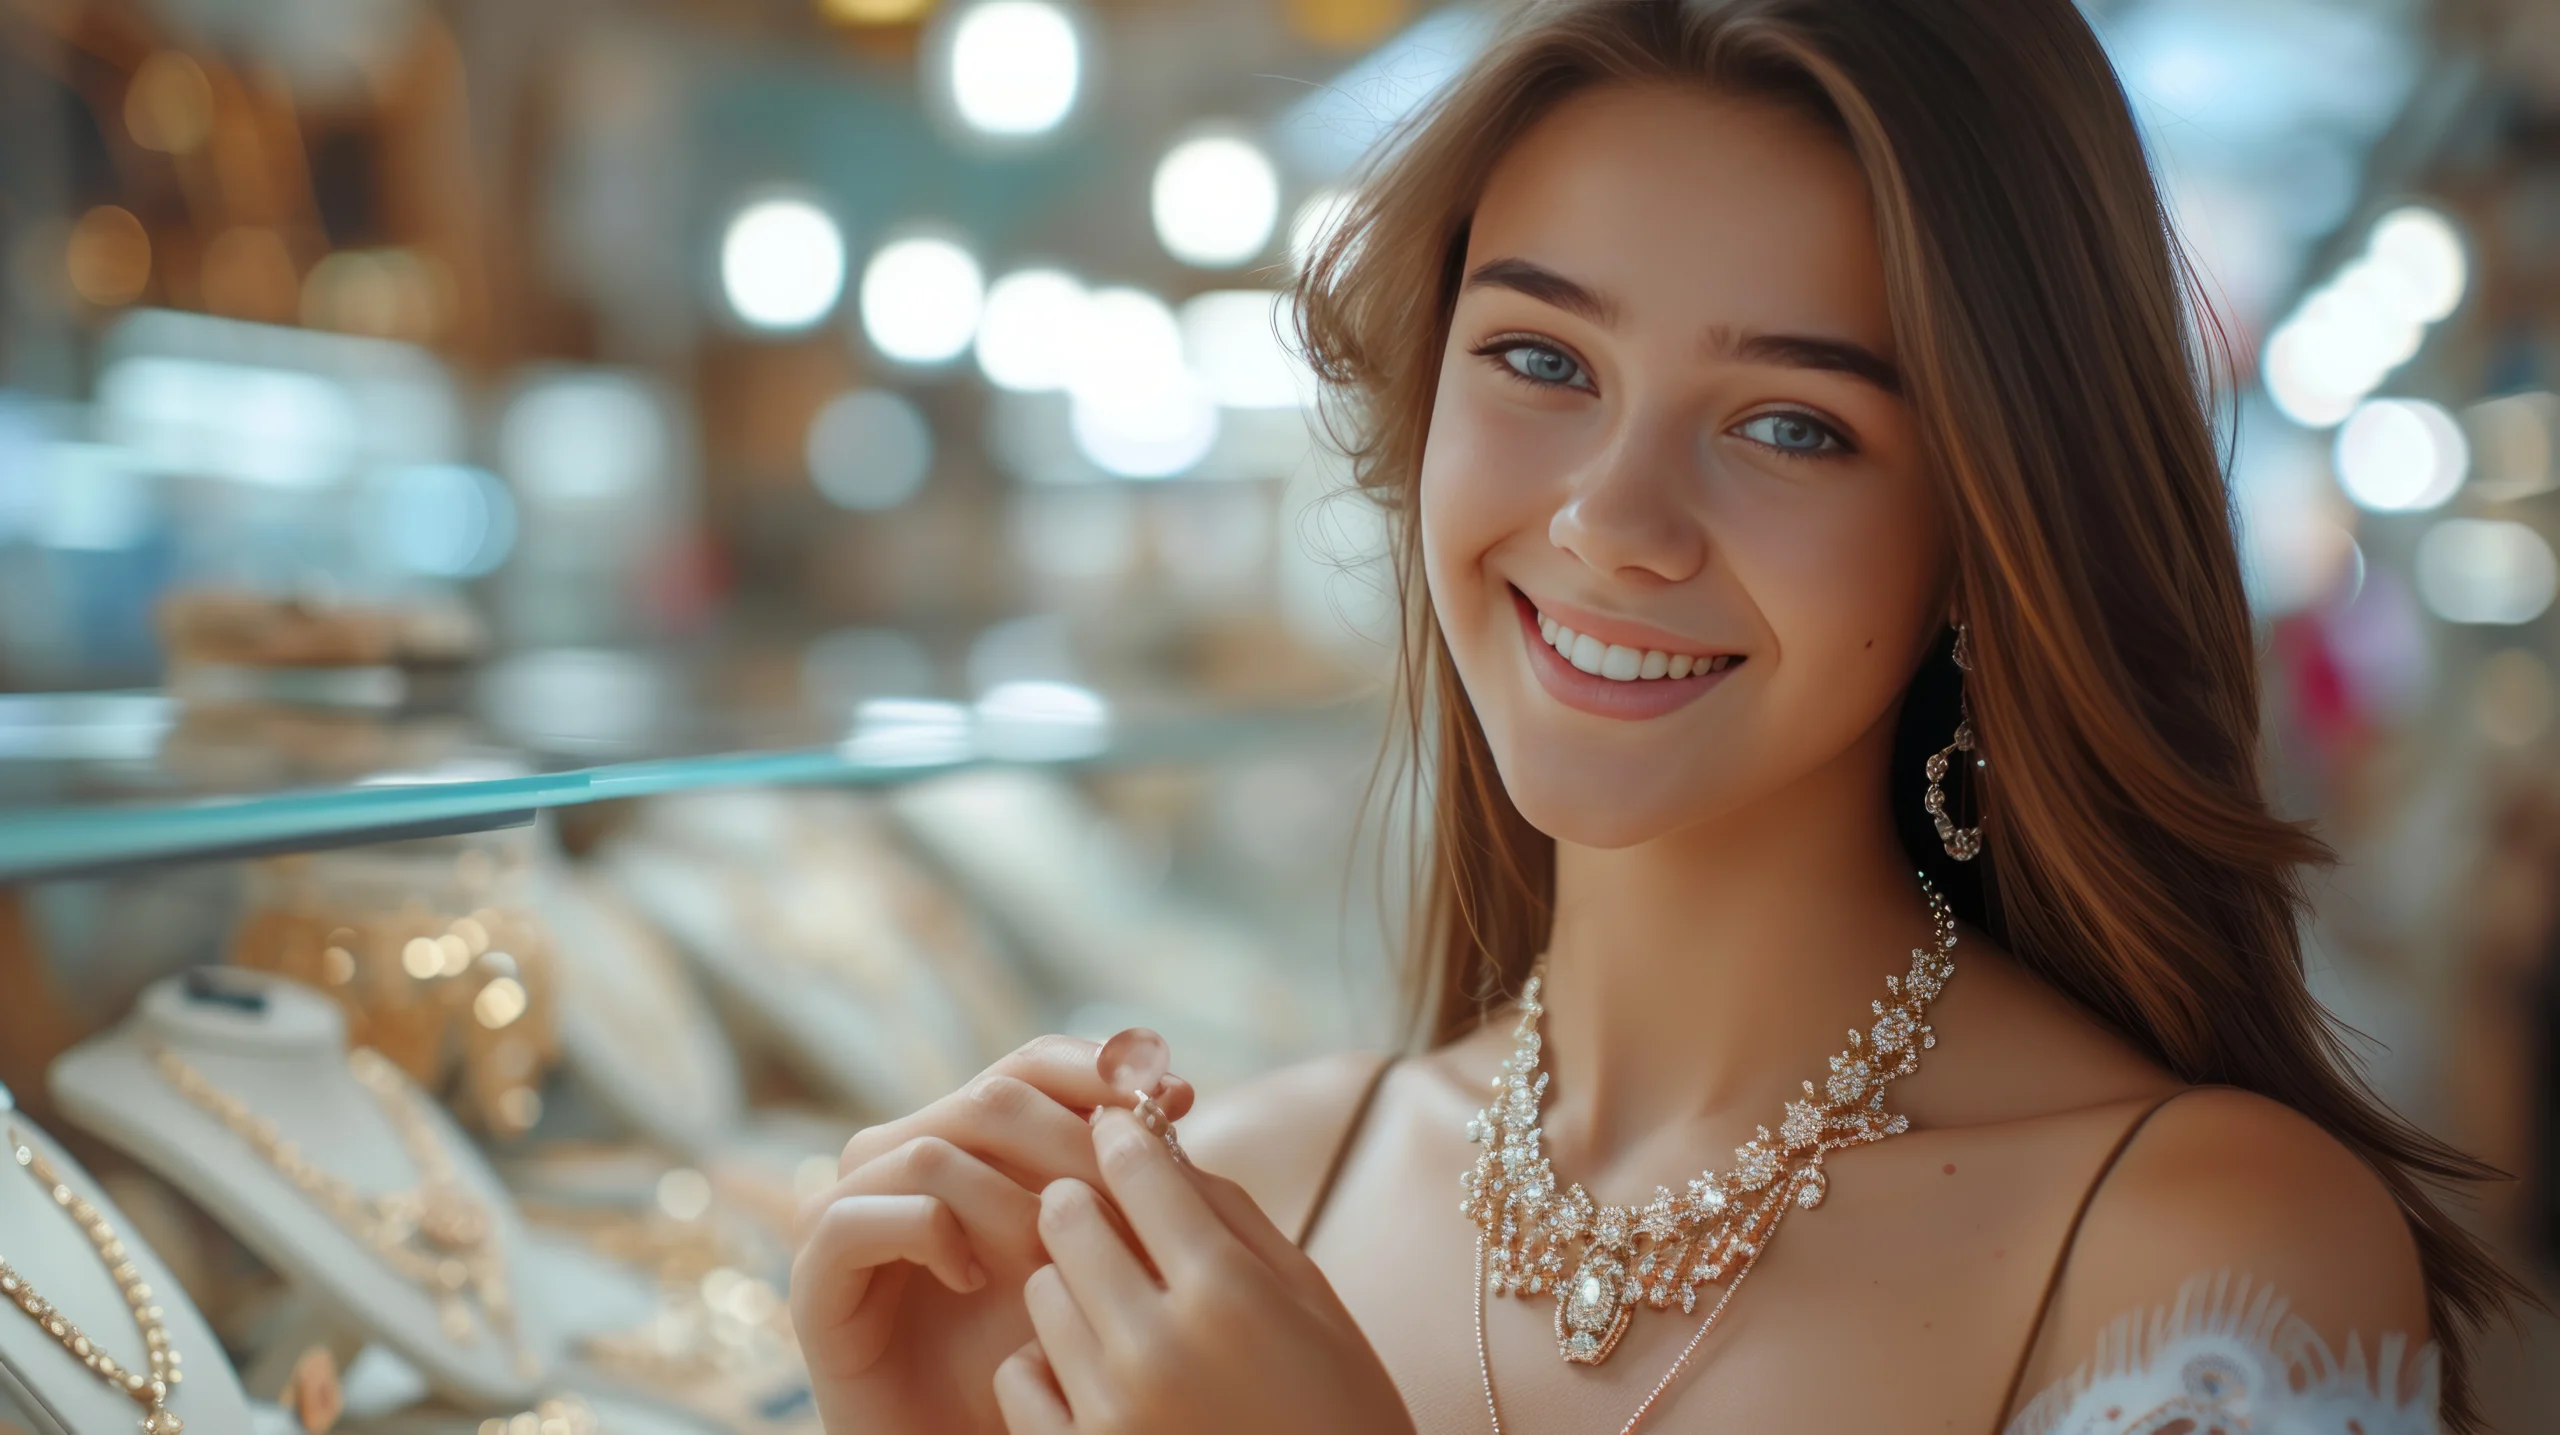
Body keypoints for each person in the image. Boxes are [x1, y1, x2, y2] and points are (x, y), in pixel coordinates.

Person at [788, 0, 2527, 1430]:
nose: (1613, 520)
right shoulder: (1235, 1201)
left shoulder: (2205, 1258)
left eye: (1792, 425)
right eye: (1542, 360)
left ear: (1985, 536)